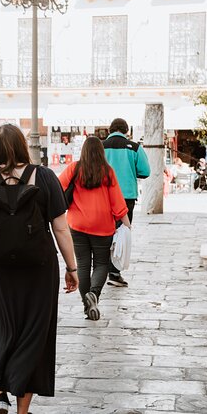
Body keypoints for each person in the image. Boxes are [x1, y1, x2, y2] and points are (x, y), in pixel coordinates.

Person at [0, 124, 78, 414]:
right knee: (33, 335)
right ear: (22, 146)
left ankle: (0, 394)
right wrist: (72, 267)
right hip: (38, 270)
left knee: (2, 330)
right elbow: (61, 229)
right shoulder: (45, 177)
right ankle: (22, 410)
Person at [59, 137, 131, 321]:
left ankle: (87, 304)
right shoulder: (107, 172)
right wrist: (126, 223)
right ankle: (93, 295)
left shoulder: (74, 169)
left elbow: (57, 187)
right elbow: (117, 200)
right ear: (101, 152)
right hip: (103, 226)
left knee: (83, 264)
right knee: (101, 264)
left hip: (77, 224)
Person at [102, 118, 149, 288]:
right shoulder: (134, 147)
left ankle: (100, 268)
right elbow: (145, 171)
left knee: (104, 232)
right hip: (126, 196)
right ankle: (114, 273)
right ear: (126, 131)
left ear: (109, 130)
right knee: (121, 233)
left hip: (103, 195)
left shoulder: (101, 146)